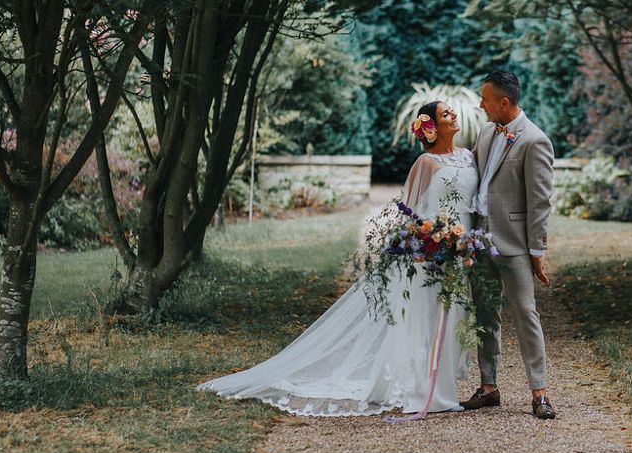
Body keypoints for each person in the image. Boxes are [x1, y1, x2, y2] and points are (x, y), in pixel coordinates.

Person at [197, 101, 479, 416]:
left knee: (452, 316)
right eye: (445, 114)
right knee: (425, 321)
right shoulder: (425, 163)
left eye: (452, 111)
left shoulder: (469, 157)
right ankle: (430, 394)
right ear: (431, 127)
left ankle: (440, 387)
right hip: (427, 255)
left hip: (460, 250)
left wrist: (467, 243)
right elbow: (409, 212)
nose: (453, 115)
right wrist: (421, 245)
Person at [462, 71, 556, 419]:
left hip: (515, 245)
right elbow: (472, 175)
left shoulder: (535, 140)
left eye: (485, 99)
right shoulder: (487, 132)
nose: (480, 105)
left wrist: (537, 250)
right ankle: (489, 388)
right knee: (485, 315)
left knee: (525, 315)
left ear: (504, 102)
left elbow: (540, 201)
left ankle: (540, 393)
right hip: (480, 241)